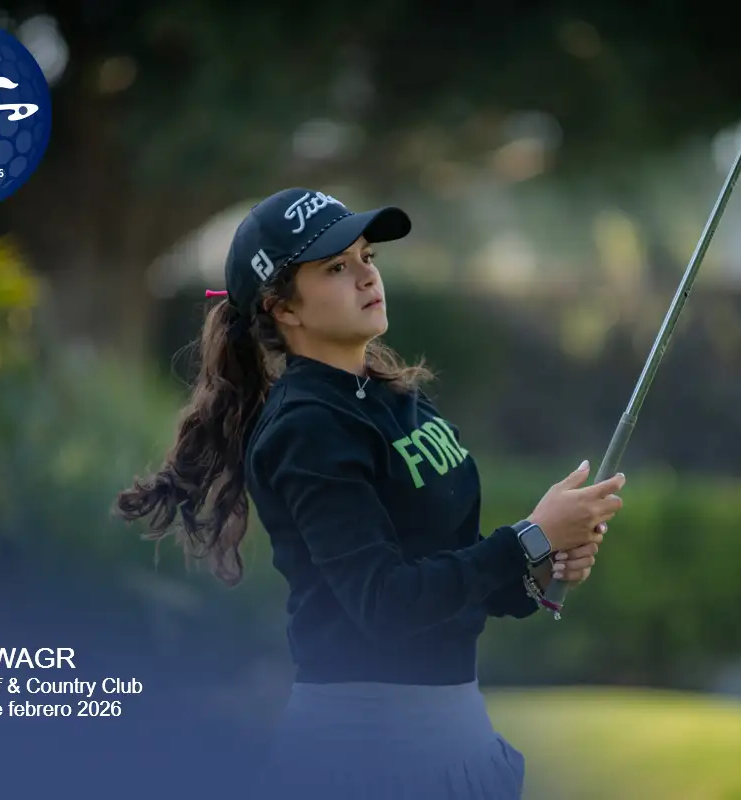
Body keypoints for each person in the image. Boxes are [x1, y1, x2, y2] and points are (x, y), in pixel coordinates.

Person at [115, 188, 626, 799]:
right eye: (336, 267)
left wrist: (539, 566)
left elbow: (455, 570)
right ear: (283, 308)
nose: (366, 276)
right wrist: (530, 538)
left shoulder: (398, 396)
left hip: (459, 736)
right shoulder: (305, 427)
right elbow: (384, 603)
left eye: (367, 256)